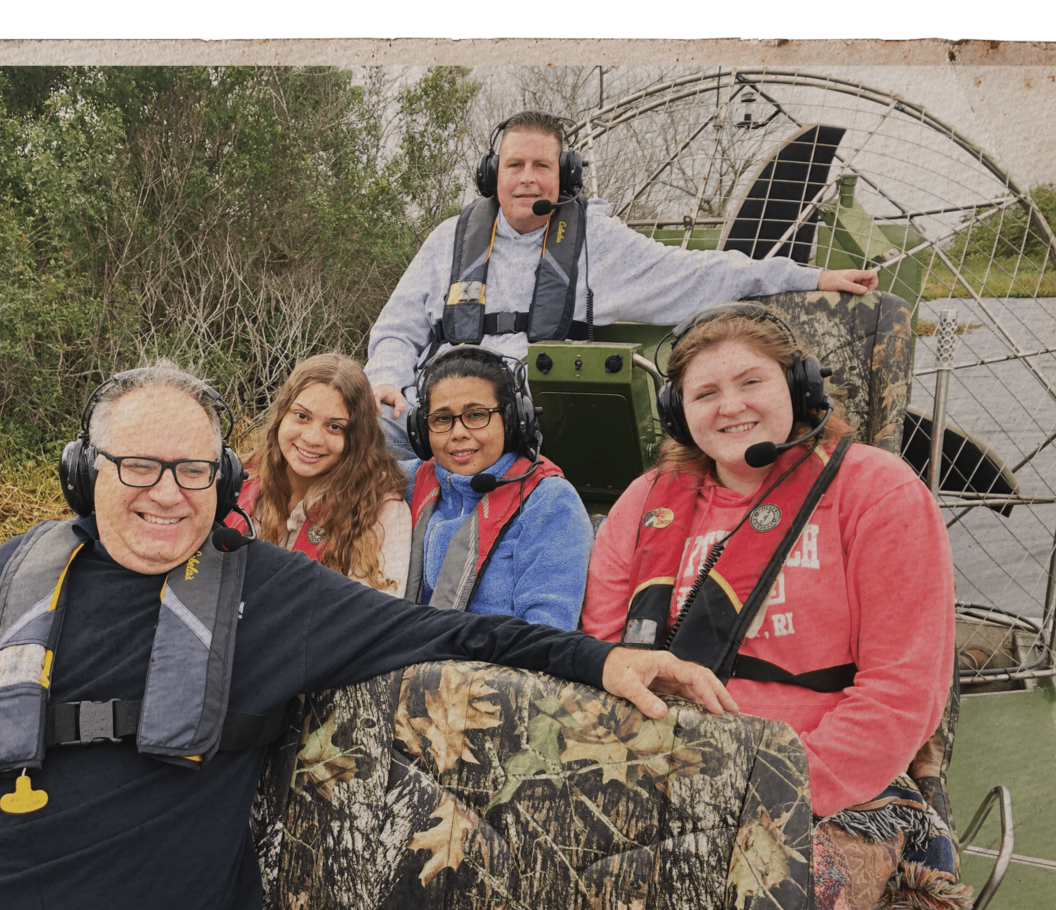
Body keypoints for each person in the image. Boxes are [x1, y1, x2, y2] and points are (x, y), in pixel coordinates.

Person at [0, 365, 736, 910]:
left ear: (223, 475)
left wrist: (603, 662)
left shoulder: (264, 590)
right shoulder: (12, 572)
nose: (167, 494)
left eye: (192, 469)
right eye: (138, 465)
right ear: (83, 472)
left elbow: (450, 627)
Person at [579, 303, 965, 910]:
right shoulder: (643, 506)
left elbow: (901, 695)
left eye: (751, 382)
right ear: (675, 409)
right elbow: (601, 660)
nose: (731, 407)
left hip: (831, 793)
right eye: (704, 393)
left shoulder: (876, 493)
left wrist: (769, 796)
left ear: (801, 387)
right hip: (660, 773)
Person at [366, 111, 878, 451]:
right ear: (491, 174)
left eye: (541, 166)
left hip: (532, 416)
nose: (526, 178)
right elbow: (397, 328)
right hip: (438, 410)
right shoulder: (448, 241)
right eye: (514, 165)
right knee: (358, 429)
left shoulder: (597, 241)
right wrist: (386, 378)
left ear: (563, 175)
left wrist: (810, 275)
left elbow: (698, 275)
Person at [403, 346, 592, 631]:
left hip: (498, 670)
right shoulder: (409, 481)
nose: (458, 433)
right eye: (442, 419)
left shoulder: (550, 501)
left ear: (512, 420)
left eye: (476, 415)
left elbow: (548, 634)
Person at [229, 354, 410, 597]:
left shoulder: (382, 511)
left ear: (358, 438)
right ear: (282, 415)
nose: (312, 438)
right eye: (302, 416)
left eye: (335, 427)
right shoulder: (241, 475)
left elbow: (374, 619)